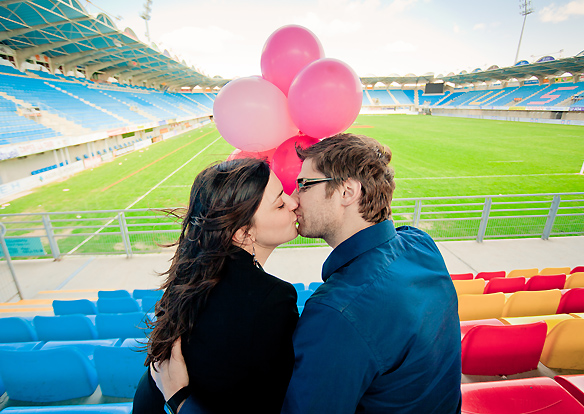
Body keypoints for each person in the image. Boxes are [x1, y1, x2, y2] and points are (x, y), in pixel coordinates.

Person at [154, 133, 462, 414]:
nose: (294, 198)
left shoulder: (336, 314)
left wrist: (180, 399)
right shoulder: (421, 243)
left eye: (305, 184)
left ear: (347, 192)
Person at [133, 158, 300, 414]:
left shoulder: (191, 274)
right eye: (280, 203)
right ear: (243, 233)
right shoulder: (272, 299)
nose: (293, 202)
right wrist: (178, 401)